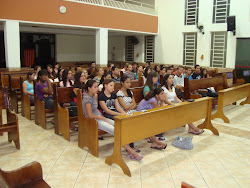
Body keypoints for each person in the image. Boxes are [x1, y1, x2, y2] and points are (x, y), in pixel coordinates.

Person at [93, 79, 142, 160]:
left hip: (116, 114)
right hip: (108, 116)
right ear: (105, 85)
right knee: (123, 125)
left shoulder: (114, 95)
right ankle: (129, 148)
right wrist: (120, 114)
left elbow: (117, 107)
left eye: (113, 85)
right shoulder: (101, 96)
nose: (113, 87)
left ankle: (130, 146)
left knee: (129, 123)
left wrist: (124, 113)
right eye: (111, 85)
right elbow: (107, 110)